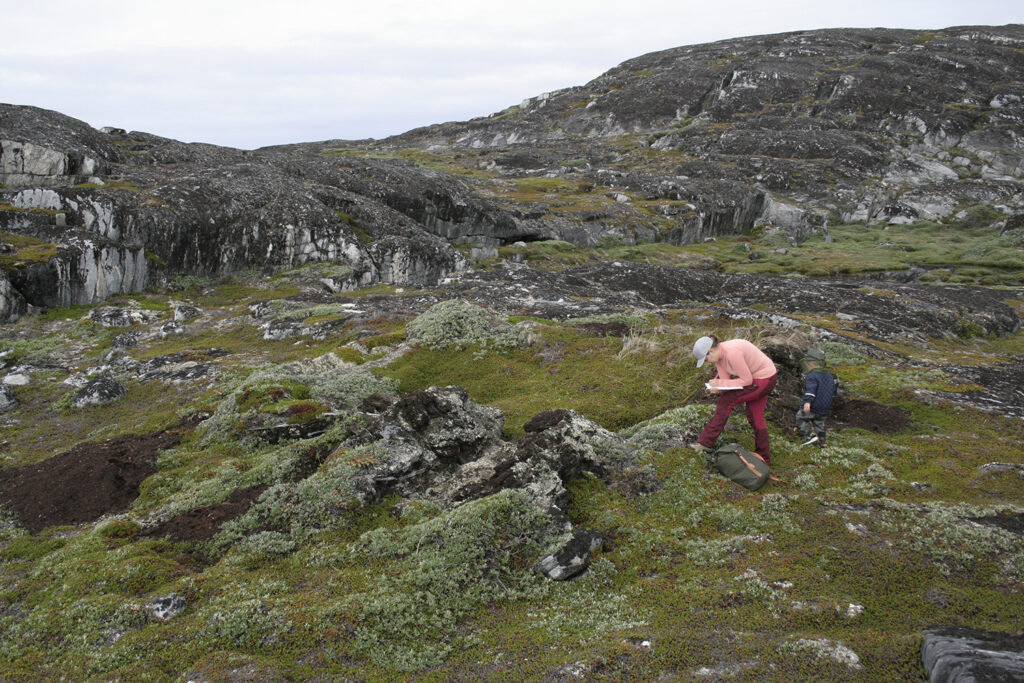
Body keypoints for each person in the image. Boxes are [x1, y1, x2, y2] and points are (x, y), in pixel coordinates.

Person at [689, 335, 779, 463]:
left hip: (765, 378)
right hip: (757, 378)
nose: (707, 362)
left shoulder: (732, 353)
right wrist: (717, 387)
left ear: (712, 350)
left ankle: (705, 443)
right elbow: (725, 381)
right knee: (755, 416)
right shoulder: (719, 358)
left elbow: (747, 381)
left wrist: (720, 384)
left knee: (725, 402)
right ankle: (764, 457)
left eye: (706, 359)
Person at [794, 347, 836, 448]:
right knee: (819, 424)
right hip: (825, 407)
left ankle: (809, 435)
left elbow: (810, 390)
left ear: (812, 363)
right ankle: (823, 442)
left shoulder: (812, 375)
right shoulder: (830, 376)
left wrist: (807, 402)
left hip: (813, 405)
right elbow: (833, 391)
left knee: (800, 418)